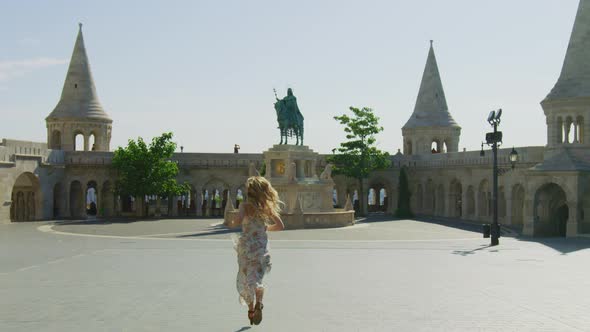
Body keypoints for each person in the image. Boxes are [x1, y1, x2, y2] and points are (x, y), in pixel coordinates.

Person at [226, 176, 285, 325]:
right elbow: (280, 226)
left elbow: (236, 222)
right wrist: (265, 228)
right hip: (261, 248)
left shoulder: (244, 206)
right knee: (257, 279)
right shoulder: (266, 207)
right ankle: (259, 300)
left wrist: (231, 221)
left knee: (246, 278)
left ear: (249, 191)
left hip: (246, 248)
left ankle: (251, 309)